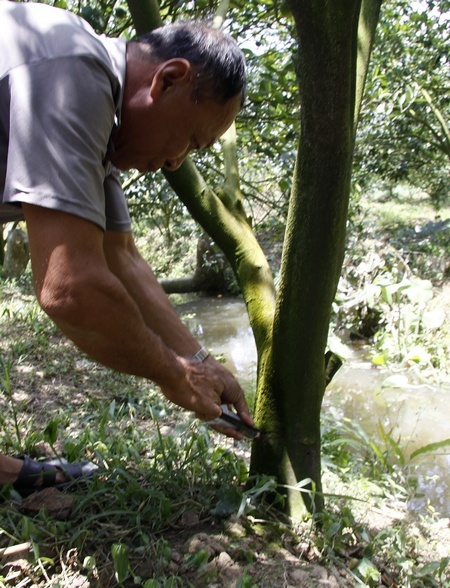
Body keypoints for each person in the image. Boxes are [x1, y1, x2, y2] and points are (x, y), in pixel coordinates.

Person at [0, 1, 253, 495]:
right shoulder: (74, 72)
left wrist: (200, 362)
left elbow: (122, 258)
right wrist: (172, 375)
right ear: (168, 80)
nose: (178, 161)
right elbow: (69, 287)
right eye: (192, 140)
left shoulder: (101, 110)